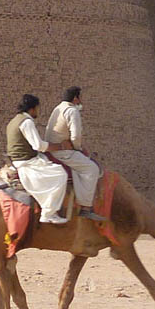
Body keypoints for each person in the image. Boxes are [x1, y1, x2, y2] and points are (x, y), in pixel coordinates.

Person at [6, 94, 69, 224]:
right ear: (32, 108)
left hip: (20, 160)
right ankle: (48, 213)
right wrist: (61, 146)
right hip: (27, 162)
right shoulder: (26, 122)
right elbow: (38, 145)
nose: (38, 112)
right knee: (60, 174)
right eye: (37, 108)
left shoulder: (13, 121)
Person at [44, 86, 104, 220]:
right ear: (76, 98)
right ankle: (86, 207)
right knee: (92, 169)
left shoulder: (58, 108)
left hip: (53, 149)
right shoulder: (72, 111)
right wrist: (78, 148)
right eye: (80, 97)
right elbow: (76, 137)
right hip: (63, 151)